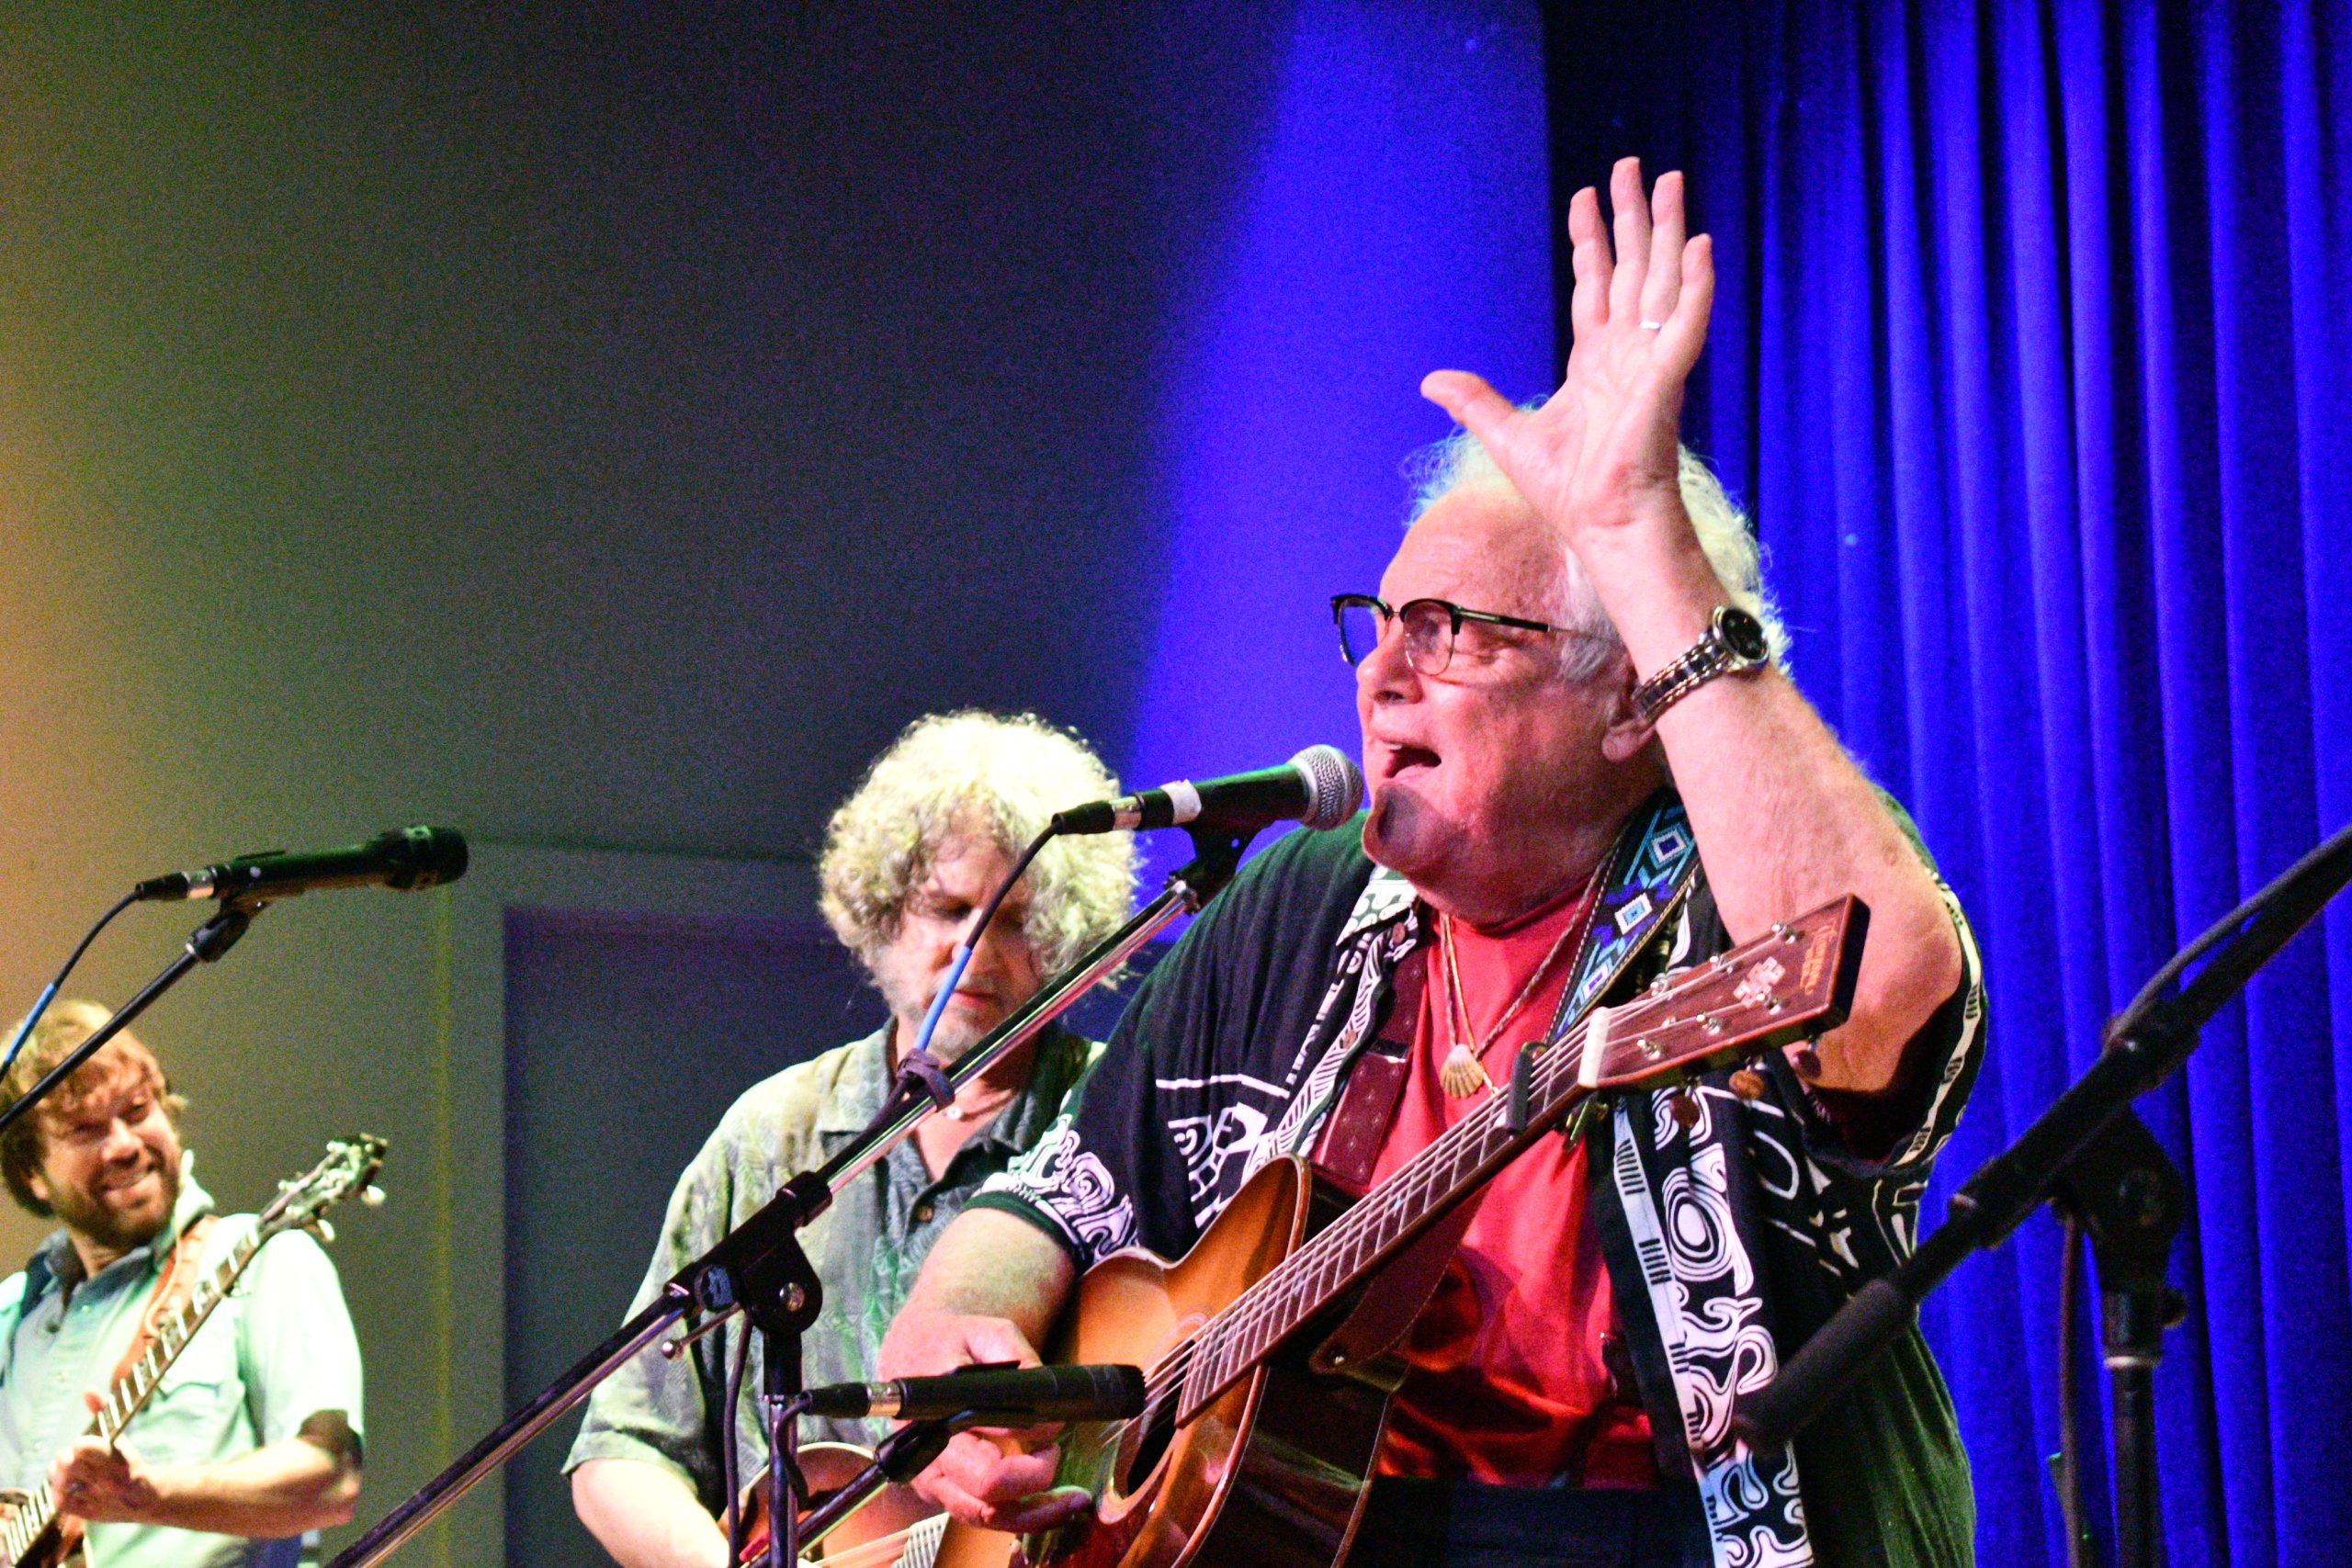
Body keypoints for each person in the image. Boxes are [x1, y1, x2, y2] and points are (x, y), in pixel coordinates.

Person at [877, 161, 1984, 1567]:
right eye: (1382, 620)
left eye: (1453, 630)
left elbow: (1880, 974)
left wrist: (1640, 543)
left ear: (1632, 695)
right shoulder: (1305, 894)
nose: (1384, 673)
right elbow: (1062, 1187)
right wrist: (956, 1326)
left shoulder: (1731, 882)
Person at [567, 710, 1140, 1568]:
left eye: (1014, 919)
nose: (971, 948)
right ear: (884, 914)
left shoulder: (1117, 1111)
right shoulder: (775, 1134)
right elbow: (623, 1448)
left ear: (1068, 939)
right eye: (946, 907)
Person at [0, 999, 365, 1568]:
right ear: (32, 1174)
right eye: (86, 1129)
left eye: (138, 1110)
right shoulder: (11, 1317)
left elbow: (330, 1481)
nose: (123, 1144)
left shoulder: (259, 1257)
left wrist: (146, 1497)